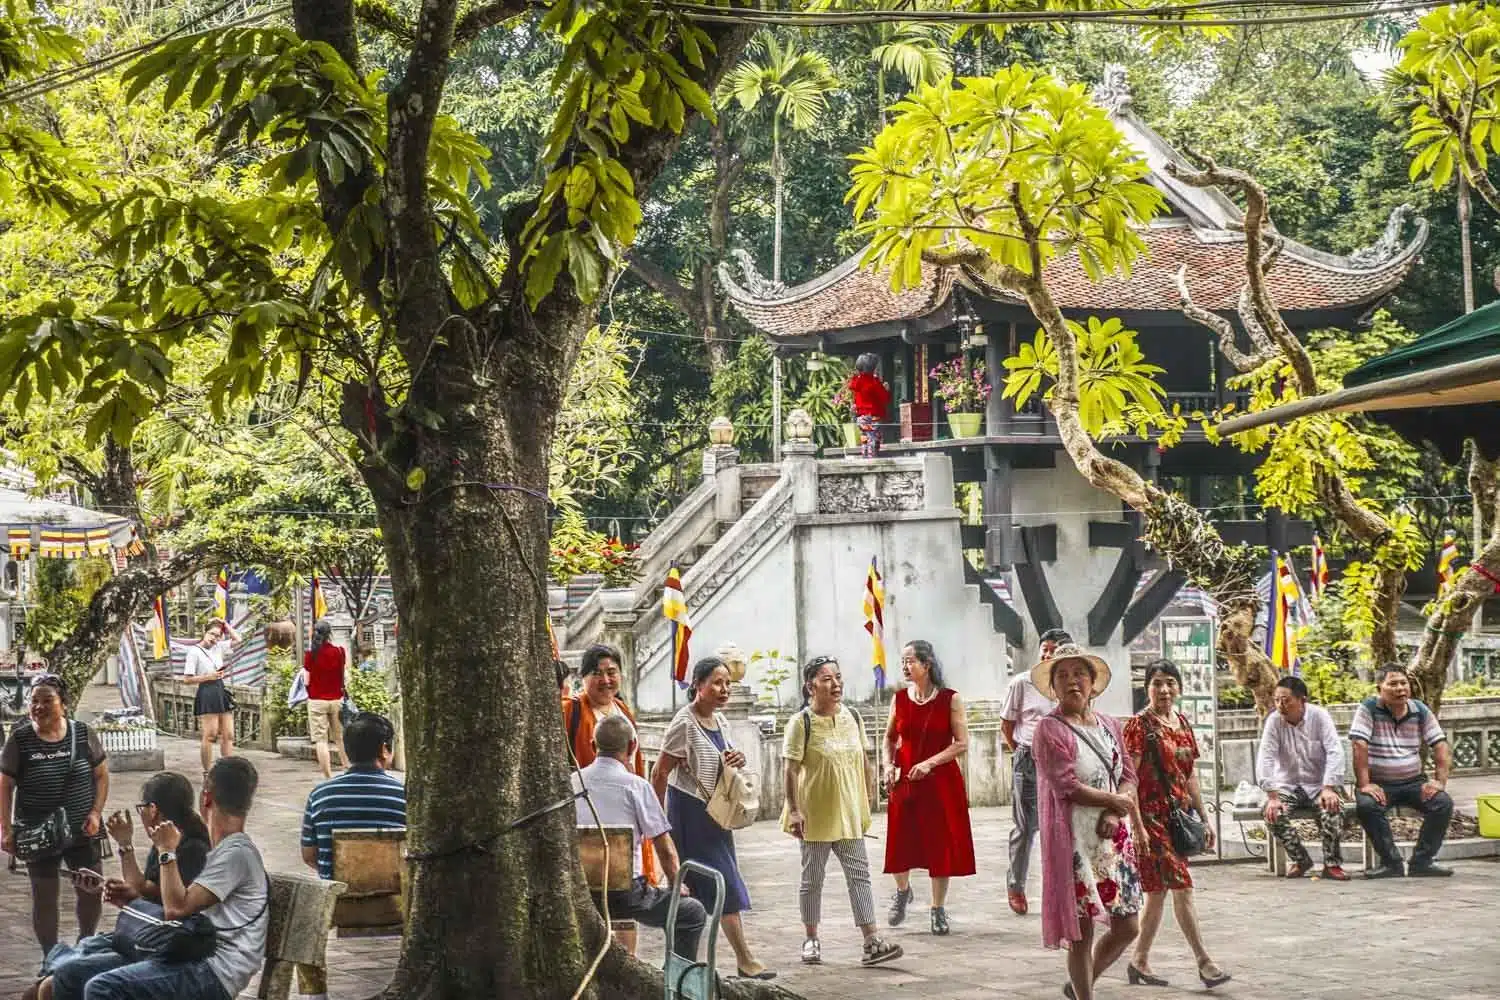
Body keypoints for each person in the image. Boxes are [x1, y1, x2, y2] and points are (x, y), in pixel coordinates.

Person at [84, 757, 268, 1000]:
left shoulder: (236, 853)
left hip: (214, 969)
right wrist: (135, 898)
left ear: (206, 798)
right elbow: (169, 900)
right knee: (73, 974)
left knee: (102, 988)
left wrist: (166, 851)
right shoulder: (226, 850)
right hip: (191, 952)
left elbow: (176, 908)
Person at [1031, 644, 1146, 1000]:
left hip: (1113, 843)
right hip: (1075, 842)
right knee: (1081, 932)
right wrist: (1113, 800)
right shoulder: (1049, 730)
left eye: (1079, 674)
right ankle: (1085, 995)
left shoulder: (1110, 724)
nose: (1072, 682)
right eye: (1062, 676)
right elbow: (1065, 785)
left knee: (1128, 926)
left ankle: (1083, 982)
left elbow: (1127, 774)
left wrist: (1115, 810)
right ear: (1053, 688)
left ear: (1093, 682)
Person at [651, 656, 773, 981]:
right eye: (717, 683)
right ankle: (744, 959)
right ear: (698, 685)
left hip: (716, 815)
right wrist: (657, 822)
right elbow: (659, 771)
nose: (723, 690)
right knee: (723, 884)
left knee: (690, 887)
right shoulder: (684, 724)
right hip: (689, 815)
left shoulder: (720, 721)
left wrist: (738, 758)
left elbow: (725, 760)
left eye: (727, 684)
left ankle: (678, 961)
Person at [42, 774, 213, 1000]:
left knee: (57, 981)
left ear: (152, 809)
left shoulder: (189, 848)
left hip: (161, 943)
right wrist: (106, 884)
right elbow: (142, 891)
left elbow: (150, 894)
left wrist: (126, 844)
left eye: (141, 808)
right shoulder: (165, 840)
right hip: (145, 933)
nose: (140, 814)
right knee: (51, 978)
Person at [784, 657, 903, 967]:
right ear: (810, 686)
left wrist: (867, 797)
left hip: (849, 813)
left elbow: (862, 759)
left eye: (838, 677)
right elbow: (791, 770)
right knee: (813, 878)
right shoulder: (802, 723)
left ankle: (871, 940)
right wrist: (795, 811)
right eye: (826, 679)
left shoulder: (852, 716)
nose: (835, 684)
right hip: (815, 816)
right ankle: (811, 938)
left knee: (859, 876)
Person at [1122, 659, 1230, 990]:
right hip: (1150, 818)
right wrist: (1136, 825)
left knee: (1156, 894)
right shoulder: (1139, 727)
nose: (1164, 689)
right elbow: (1129, 780)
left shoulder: (1181, 722)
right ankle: (1204, 962)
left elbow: (1190, 774)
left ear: (1179, 687)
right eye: (1157, 683)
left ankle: (1138, 961)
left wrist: (1205, 816)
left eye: (1170, 682)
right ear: (1147, 688)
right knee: (1181, 886)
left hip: (1178, 818)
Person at [575, 714, 707, 960]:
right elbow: (664, 847)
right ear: (632, 746)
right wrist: (676, 884)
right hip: (625, 895)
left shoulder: (571, 783)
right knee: (692, 912)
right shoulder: (636, 786)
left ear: (594, 746)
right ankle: (678, 984)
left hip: (579, 891)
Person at [0, 676, 111, 963]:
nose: (38, 706)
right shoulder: (20, 739)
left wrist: (96, 812)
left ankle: (85, 945)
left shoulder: (83, 734)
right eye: (34, 700)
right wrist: (7, 829)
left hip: (83, 830)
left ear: (64, 704)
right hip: (36, 832)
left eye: (47, 700)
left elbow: (101, 776)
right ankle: (50, 959)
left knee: (90, 889)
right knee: (45, 896)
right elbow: (5, 785)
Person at [883, 640, 974, 935]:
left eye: (911, 661)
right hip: (905, 778)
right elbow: (888, 739)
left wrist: (930, 763)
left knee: (940, 846)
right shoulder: (899, 699)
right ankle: (902, 890)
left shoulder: (950, 699)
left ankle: (937, 908)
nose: (906, 667)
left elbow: (961, 743)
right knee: (900, 841)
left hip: (939, 781)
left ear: (927, 664)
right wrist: (886, 765)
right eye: (903, 662)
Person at [563, 644, 657, 885]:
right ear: (582, 678)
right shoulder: (570, 711)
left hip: (625, 806)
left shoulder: (622, 709)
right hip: (591, 809)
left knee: (629, 872)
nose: (605, 680)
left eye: (611, 672)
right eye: (596, 673)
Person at [1350, 663, 1454, 878]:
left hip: (1413, 782)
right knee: (1367, 806)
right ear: (1380, 688)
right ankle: (1391, 863)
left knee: (1442, 803)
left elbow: (1440, 744)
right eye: (1393, 684)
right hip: (1380, 784)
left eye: (1404, 683)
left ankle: (1422, 862)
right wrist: (1365, 784)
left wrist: (1439, 782)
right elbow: (1359, 744)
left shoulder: (1420, 710)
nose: (1400, 689)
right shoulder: (1369, 708)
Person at [1000, 627, 1067, 915]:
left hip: (1061, 762)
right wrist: (1020, 753)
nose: (1047, 653)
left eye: (1054, 650)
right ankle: (1016, 885)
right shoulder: (1022, 683)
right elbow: (1007, 724)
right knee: (1026, 827)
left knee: (1059, 826)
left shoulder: (1069, 684)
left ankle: (1058, 890)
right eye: (1045, 648)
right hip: (1027, 758)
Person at [1256, 675, 1349, 880]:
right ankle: (1301, 859)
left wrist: (1329, 786)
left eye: (1286, 700)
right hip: (1287, 785)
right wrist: (1272, 794)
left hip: (1318, 784)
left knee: (1333, 809)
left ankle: (1332, 864)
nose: (1281, 705)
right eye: (1277, 700)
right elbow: (1266, 756)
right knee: (1273, 814)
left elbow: (1335, 751)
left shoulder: (1320, 717)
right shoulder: (1273, 721)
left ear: (1302, 700)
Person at [181, 618, 242, 776]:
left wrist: (225, 625)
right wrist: (208, 676)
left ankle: (227, 768)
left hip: (220, 688)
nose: (213, 638)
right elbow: (187, 679)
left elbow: (238, 639)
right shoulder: (194, 652)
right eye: (211, 634)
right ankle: (207, 770)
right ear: (204, 632)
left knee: (228, 734)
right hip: (207, 689)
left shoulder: (218, 647)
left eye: (217, 635)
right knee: (210, 734)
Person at [302, 619, 347, 780]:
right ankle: (347, 769)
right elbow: (344, 676)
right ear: (330, 634)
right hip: (337, 699)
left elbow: (306, 681)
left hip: (316, 700)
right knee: (340, 737)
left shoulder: (310, 655)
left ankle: (328, 777)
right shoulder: (340, 652)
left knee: (321, 741)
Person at [848, 353, 891, 459]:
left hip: (861, 416)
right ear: (873, 368)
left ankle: (865, 455)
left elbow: (852, 387)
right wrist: (886, 389)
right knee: (874, 437)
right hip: (874, 415)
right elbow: (884, 398)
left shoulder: (856, 382)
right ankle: (872, 458)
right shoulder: (874, 382)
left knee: (865, 437)